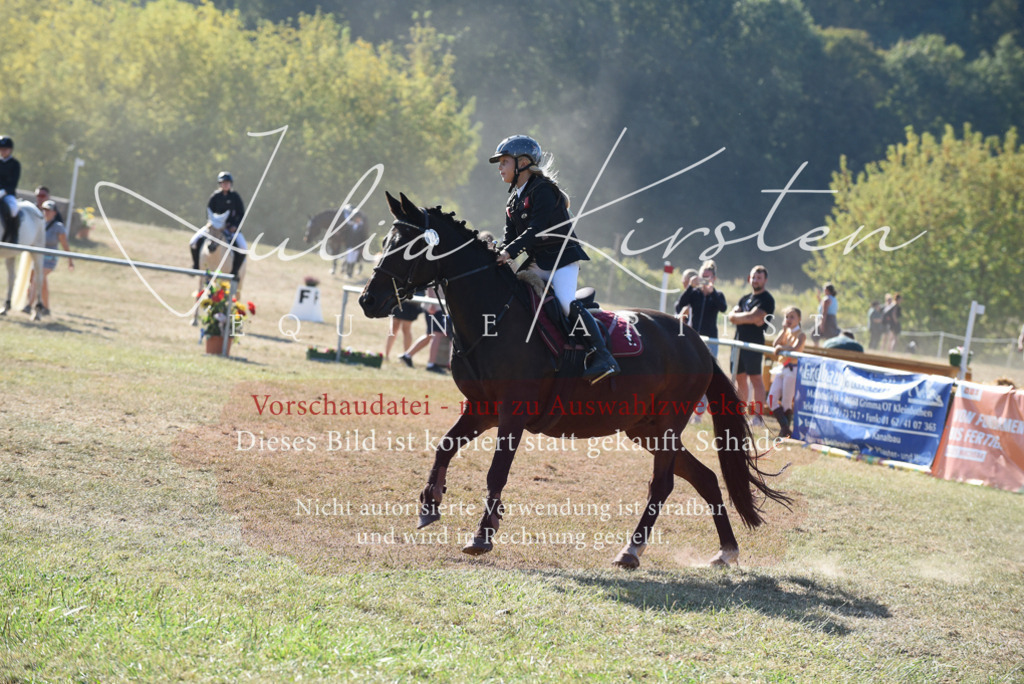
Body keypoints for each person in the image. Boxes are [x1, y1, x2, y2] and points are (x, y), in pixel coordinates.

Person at [490, 134, 617, 383]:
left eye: (504, 162)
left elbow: (535, 230)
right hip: (538, 262)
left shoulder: (543, 190)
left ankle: (603, 356)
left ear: (523, 162)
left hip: (562, 259)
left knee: (566, 302)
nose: (500, 168)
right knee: (515, 296)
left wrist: (509, 253)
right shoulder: (512, 201)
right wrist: (497, 252)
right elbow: (509, 236)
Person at [727, 265, 775, 425]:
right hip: (738, 343)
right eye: (753, 277)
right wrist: (747, 317)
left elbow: (757, 318)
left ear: (765, 280)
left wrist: (740, 317)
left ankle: (758, 417)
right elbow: (732, 317)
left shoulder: (767, 299)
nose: (755, 280)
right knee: (740, 378)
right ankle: (741, 414)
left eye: (759, 277)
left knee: (755, 379)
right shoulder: (744, 298)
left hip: (754, 344)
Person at [190, 171, 246, 276]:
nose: (226, 184)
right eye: (223, 182)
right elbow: (208, 212)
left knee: (243, 248)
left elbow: (241, 213)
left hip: (230, 229)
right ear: (220, 184)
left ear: (231, 184)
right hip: (214, 228)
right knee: (193, 242)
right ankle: (196, 266)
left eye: (228, 183)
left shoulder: (235, 197)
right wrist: (212, 224)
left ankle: (234, 272)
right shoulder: (215, 196)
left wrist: (235, 226)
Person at [674, 259, 727, 359]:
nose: (704, 280)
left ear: (714, 278)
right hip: (694, 337)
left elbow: (723, 308)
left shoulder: (718, 294)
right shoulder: (695, 293)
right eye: (702, 277)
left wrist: (712, 293)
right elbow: (681, 303)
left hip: (710, 339)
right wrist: (690, 286)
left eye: (707, 277)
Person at [767, 307, 806, 438]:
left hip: (792, 369)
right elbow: (775, 344)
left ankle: (785, 431)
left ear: (799, 319)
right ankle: (785, 428)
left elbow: (795, 349)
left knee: (786, 401)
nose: (789, 320)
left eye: (792, 317)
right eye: (787, 317)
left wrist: (781, 348)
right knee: (771, 399)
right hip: (781, 367)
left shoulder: (801, 334)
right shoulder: (786, 332)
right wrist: (783, 332)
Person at [399, 287, 450, 374]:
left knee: (430, 335)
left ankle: (407, 356)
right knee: (437, 334)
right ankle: (431, 364)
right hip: (435, 306)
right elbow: (430, 286)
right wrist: (432, 303)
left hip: (437, 306)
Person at [38, 200, 74, 314]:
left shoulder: (58, 227)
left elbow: (65, 244)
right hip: (38, 257)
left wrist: (70, 261)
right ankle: (42, 306)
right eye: (44, 210)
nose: (46, 212)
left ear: (54, 212)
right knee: (37, 280)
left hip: (50, 259)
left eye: (49, 210)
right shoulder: (39, 223)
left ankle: (37, 306)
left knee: (40, 278)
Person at [0, 136, 21, 245]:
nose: (3, 151)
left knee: (13, 209)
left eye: (5, 149)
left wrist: (3, 192)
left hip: (8, 194)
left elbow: (13, 183)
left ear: (10, 150)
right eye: (1, 149)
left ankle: (13, 235)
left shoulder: (15, 164)